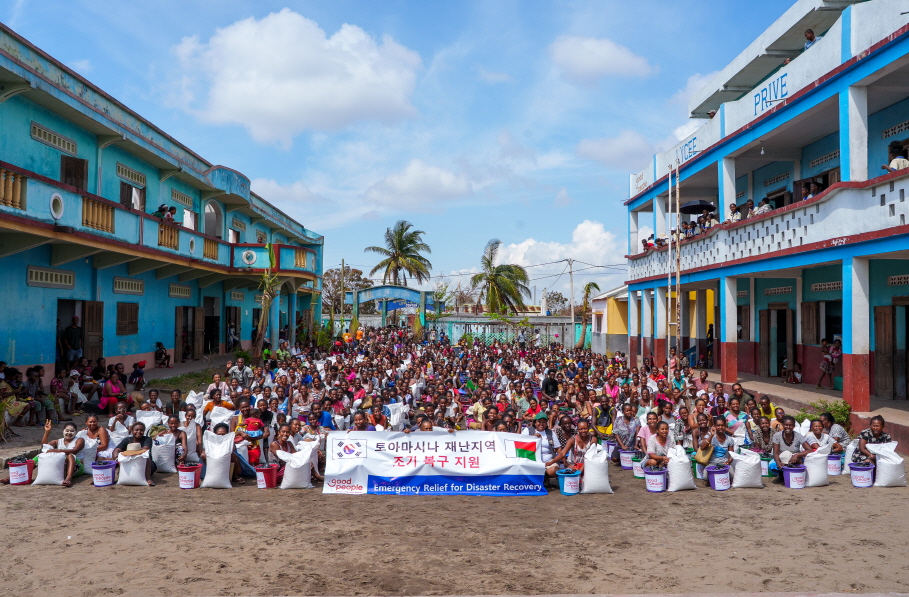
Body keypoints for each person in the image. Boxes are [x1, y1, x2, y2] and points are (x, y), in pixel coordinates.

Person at [112, 422, 156, 486]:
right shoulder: (127, 440)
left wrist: (132, 453)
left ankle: (148, 478)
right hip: (130, 464)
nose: (139, 432)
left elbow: (145, 448)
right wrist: (117, 459)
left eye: (141, 430)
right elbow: (116, 450)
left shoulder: (147, 439)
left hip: (145, 465)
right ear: (132, 431)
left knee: (147, 456)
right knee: (113, 461)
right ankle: (107, 478)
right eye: (136, 430)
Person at [522, 413, 561, 480]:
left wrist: (562, 461)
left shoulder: (550, 432)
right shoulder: (528, 430)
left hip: (548, 461)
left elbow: (558, 449)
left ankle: (545, 475)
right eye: (539, 422)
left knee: (554, 472)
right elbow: (520, 442)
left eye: (544, 422)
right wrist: (532, 438)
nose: (541, 424)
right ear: (535, 422)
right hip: (532, 461)